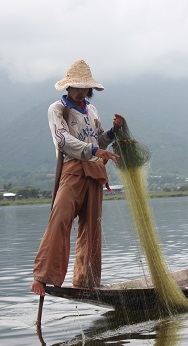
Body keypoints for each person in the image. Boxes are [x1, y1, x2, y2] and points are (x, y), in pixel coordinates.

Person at [30, 59, 125, 296]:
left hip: (94, 171)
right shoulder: (58, 109)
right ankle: (43, 277)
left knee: (92, 227)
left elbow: (99, 140)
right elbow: (63, 140)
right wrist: (94, 151)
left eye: (85, 87)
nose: (81, 91)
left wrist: (114, 132)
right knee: (60, 219)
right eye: (77, 87)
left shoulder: (91, 110)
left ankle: (87, 280)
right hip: (72, 169)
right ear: (68, 87)